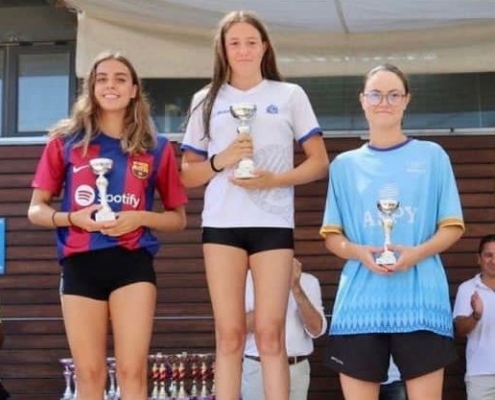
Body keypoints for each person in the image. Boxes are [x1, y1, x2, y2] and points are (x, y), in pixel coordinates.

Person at [180, 10, 328, 400]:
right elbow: (187, 174)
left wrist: (273, 180)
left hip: (273, 225)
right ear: (223, 50)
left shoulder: (289, 95)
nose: (243, 50)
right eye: (234, 43)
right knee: (229, 334)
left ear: (264, 47)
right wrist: (221, 159)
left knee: (270, 333)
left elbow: (318, 161)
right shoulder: (205, 100)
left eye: (251, 42)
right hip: (221, 225)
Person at [27, 52, 187, 400]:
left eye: (120, 79)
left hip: (132, 264)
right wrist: (72, 218)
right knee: (89, 375)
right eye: (102, 79)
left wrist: (139, 217)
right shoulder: (64, 141)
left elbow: (178, 218)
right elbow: (36, 210)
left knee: (132, 372)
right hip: (80, 264)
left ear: (134, 90)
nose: (110, 85)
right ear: (91, 88)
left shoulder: (156, 147)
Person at [319, 63, 464, 400]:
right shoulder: (343, 166)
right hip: (361, 304)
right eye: (375, 94)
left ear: (406, 100)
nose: (384, 102)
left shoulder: (432, 157)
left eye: (393, 94)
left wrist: (416, 254)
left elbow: (452, 226)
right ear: (362, 100)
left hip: (421, 302)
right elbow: (332, 236)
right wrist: (359, 252)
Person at [241, 258, 327, 400]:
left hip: (296, 367)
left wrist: (296, 288)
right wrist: (274, 293)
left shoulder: (309, 281)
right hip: (258, 368)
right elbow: (239, 328)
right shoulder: (246, 280)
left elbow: (316, 329)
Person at [453, 234, 495, 400]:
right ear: (479, 258)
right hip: (480, 375)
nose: (493, 261)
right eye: (488, 255)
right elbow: (460, 330)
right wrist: (476, 315)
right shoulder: (467, 289)